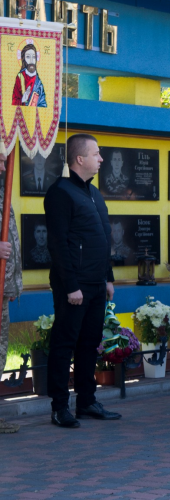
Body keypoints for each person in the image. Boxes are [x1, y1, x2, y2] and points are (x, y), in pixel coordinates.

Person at [44, 133, 120, 428]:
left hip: (96, 283)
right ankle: (59, 407)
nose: (101, 159)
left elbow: (103, 238)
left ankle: (86, 401)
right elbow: (59, 244)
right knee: (65, 344)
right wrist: (72, 285)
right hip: (72, 286)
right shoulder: (60, 193)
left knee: (90, 343)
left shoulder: (94, 193)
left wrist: (108, 278)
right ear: (80, 159)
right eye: (97, 154)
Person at [0, 149, 23, 434]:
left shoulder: (3, 192)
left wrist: (14, 282)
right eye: (0, 159)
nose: (5, 164)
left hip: (3, 289)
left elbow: (13, 239)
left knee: (1, 351)